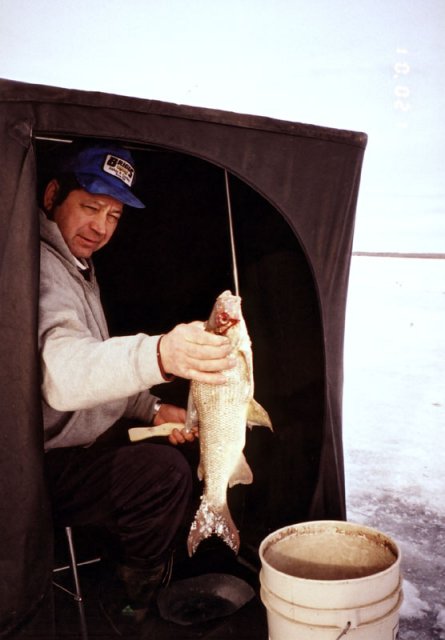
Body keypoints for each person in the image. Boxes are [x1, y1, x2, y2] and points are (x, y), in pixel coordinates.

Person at [39, 143, 235, 629]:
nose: (101, 228)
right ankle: (129, 600)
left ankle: (145, 568)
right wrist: (161, 354)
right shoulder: (39, 267)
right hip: (38, 464)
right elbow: (62, 375)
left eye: (114, 215)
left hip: (80, 441)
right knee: (161, 474)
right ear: (51, 195)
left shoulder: (75, 265)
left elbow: (94, 365)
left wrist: (150, 409)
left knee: (189, 447)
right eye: (89, 207)